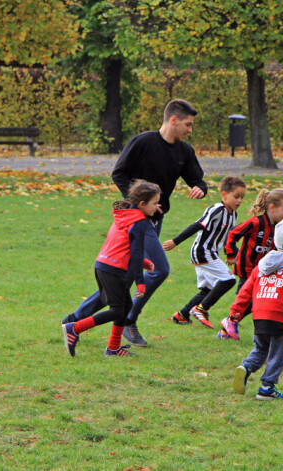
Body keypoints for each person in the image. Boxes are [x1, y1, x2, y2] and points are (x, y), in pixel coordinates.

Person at [62, 99, 208, 347]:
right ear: (173, 120)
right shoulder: (143, 142)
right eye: (188, 124)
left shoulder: (184, 151)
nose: (190, 130)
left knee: (123, 281)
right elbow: (119, 173)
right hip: (136, 220)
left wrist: (200, 188)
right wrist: (138, 203)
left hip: (156, 220)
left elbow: (197, 179)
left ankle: (73, 320)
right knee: (160, 269)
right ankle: (129, 319)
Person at [62, 180, 161, 357]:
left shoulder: (125, 215)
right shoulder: (139, 222)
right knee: (117, 310)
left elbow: (123, 245)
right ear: (142, 204)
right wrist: (140, 283)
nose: (157, 207)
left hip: (103, 265)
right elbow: (136, 253)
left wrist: (145, 263)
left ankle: (113, 348)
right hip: (112, 270)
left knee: (125, 306)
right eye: (154, 203)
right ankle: (74, 328)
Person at [230, 219, 283, 400]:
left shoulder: (261, 266)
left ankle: (246, 367)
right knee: (277, 354)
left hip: (259, 315)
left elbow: (246, 290)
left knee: (260, 348)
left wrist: (236, 310)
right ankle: (267, 388)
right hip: (278, 316)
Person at [162, 176, 246, 332]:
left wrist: (231, 253)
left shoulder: (233, 214)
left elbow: (229, 237)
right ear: (224, 195)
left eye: (242, 197)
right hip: (202, 252)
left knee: (208, 289)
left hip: (211, 253)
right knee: (228, 280)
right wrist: (175, 241)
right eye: (236, 196)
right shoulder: (216, 210)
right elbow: (196, 226)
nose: (239, 201)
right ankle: (201, 309)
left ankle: (182, 314)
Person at [223, 188, 283, 338]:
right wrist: (231, 253)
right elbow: (233, 234)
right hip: (247, 269)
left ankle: (227, 328)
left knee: (255, 301)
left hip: (261, 272)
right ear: (272, 208)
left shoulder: (278, 228)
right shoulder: (255, 223)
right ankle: (230, 322)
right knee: (247, 301)